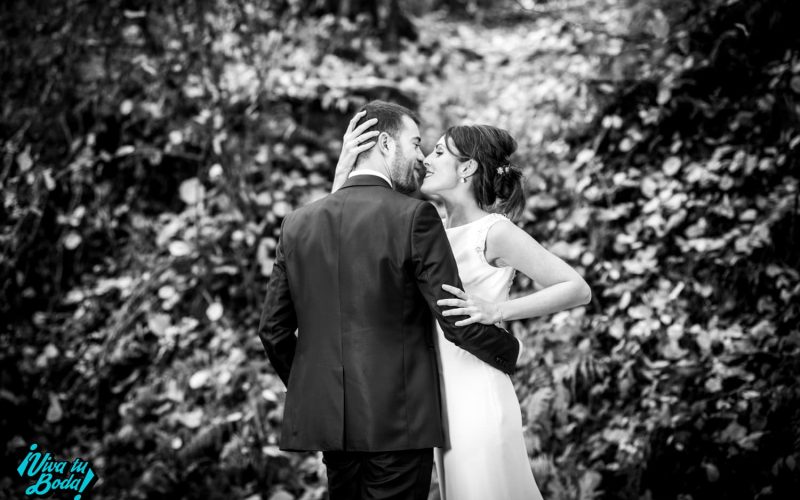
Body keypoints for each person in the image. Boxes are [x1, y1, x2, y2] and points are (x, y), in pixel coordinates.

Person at [257, 100, 522, 500]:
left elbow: (273, 331)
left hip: (333, 426)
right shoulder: (415, 216)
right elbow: (454, 318)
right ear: (385, 143)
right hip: (399, 421)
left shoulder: (297, 223)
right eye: (415, 143)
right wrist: (510, 351)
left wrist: (320, 391)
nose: (420, 156)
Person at [335, 121, 592, 499]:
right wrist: (344, 174)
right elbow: (346, 238)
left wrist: (496, 310)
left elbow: (576, 288)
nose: (426, 159)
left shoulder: (494, 231)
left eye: (439, 152)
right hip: (436, 396)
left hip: (476, 389)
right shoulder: (428, 226)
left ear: (467, 168)